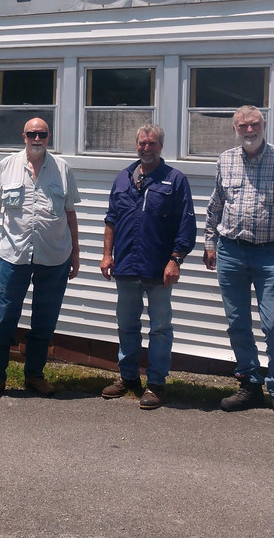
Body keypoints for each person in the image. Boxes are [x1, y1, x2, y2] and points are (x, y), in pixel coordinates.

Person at [203, 105, 274, 423]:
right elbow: (216, 205)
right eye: (242, 126)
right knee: (237, 323)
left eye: (253, 124)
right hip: (230, 252)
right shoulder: (225, 160)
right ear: (235, 129)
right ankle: (250, 385)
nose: (249, 130)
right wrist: (209, 243)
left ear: (264, 124)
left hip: (269, 253)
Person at [0, 117, 81, 401]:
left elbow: (70, 214)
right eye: (32, 134)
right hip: (15, 256)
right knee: (3, 318)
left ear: (49, 137)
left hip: (54, 257)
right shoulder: (7, 166)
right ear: (23, 136)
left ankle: (34, 375)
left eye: (43, 134)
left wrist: (76, 254)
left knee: (44, 320)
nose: (37, 139)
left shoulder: (63, 169)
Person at [100, 124, 196, 409]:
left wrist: (175, 260)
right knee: (127, 325)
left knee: (160, 328)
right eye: (142, 143)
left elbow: (186, 224)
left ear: (160, 146)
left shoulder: (175, 180)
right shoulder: (123, 178)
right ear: (137, 145)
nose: (146, 148)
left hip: (158, 268)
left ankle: (156, 383)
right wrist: (107, 255)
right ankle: (128, 377)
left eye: (152, 143)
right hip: (126, 265)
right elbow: (111, 219)